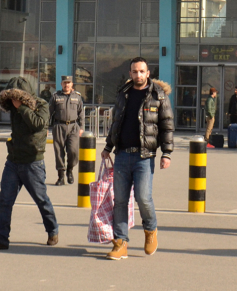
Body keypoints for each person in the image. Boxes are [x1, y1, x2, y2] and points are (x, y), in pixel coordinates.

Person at [101, 57, 173, 260]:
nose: (138, 75)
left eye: (142, 71)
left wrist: (166, 153)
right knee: (120, 201)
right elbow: (116, 122)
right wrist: (108, 146)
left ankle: (151, 231)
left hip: (144, 156)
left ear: (148, 73)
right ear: (130, 73)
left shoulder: (158, 96)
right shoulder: (123, 94)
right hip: (122, 154)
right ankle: (121, 243)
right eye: (134, 71)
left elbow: (167, 125)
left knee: (143, 198)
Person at [0, 77, 59, 250]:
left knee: (41, 200)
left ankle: (52, 230)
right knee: (5, 201)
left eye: (16, 96)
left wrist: (22, 107)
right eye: (10, 97)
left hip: (33, 162)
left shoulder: (41, 105)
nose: (13, 101)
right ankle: (1, 238)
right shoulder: (13, 107)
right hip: (13, 161)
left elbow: (38, 125)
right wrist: (15, 106)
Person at [49, 75, 84, 186]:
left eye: (69, 83)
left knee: (73, 151)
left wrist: (82, 127)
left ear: (72, 84)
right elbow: (49, 114)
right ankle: (61, 176)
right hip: (59, 126)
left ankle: (70, 169)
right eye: (65, 82)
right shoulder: (55, 96)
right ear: (61, 84)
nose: (66, 85)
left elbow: (81, 114)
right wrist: (45, 128)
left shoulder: (77, 97)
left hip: (73, 127)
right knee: (59, 152)